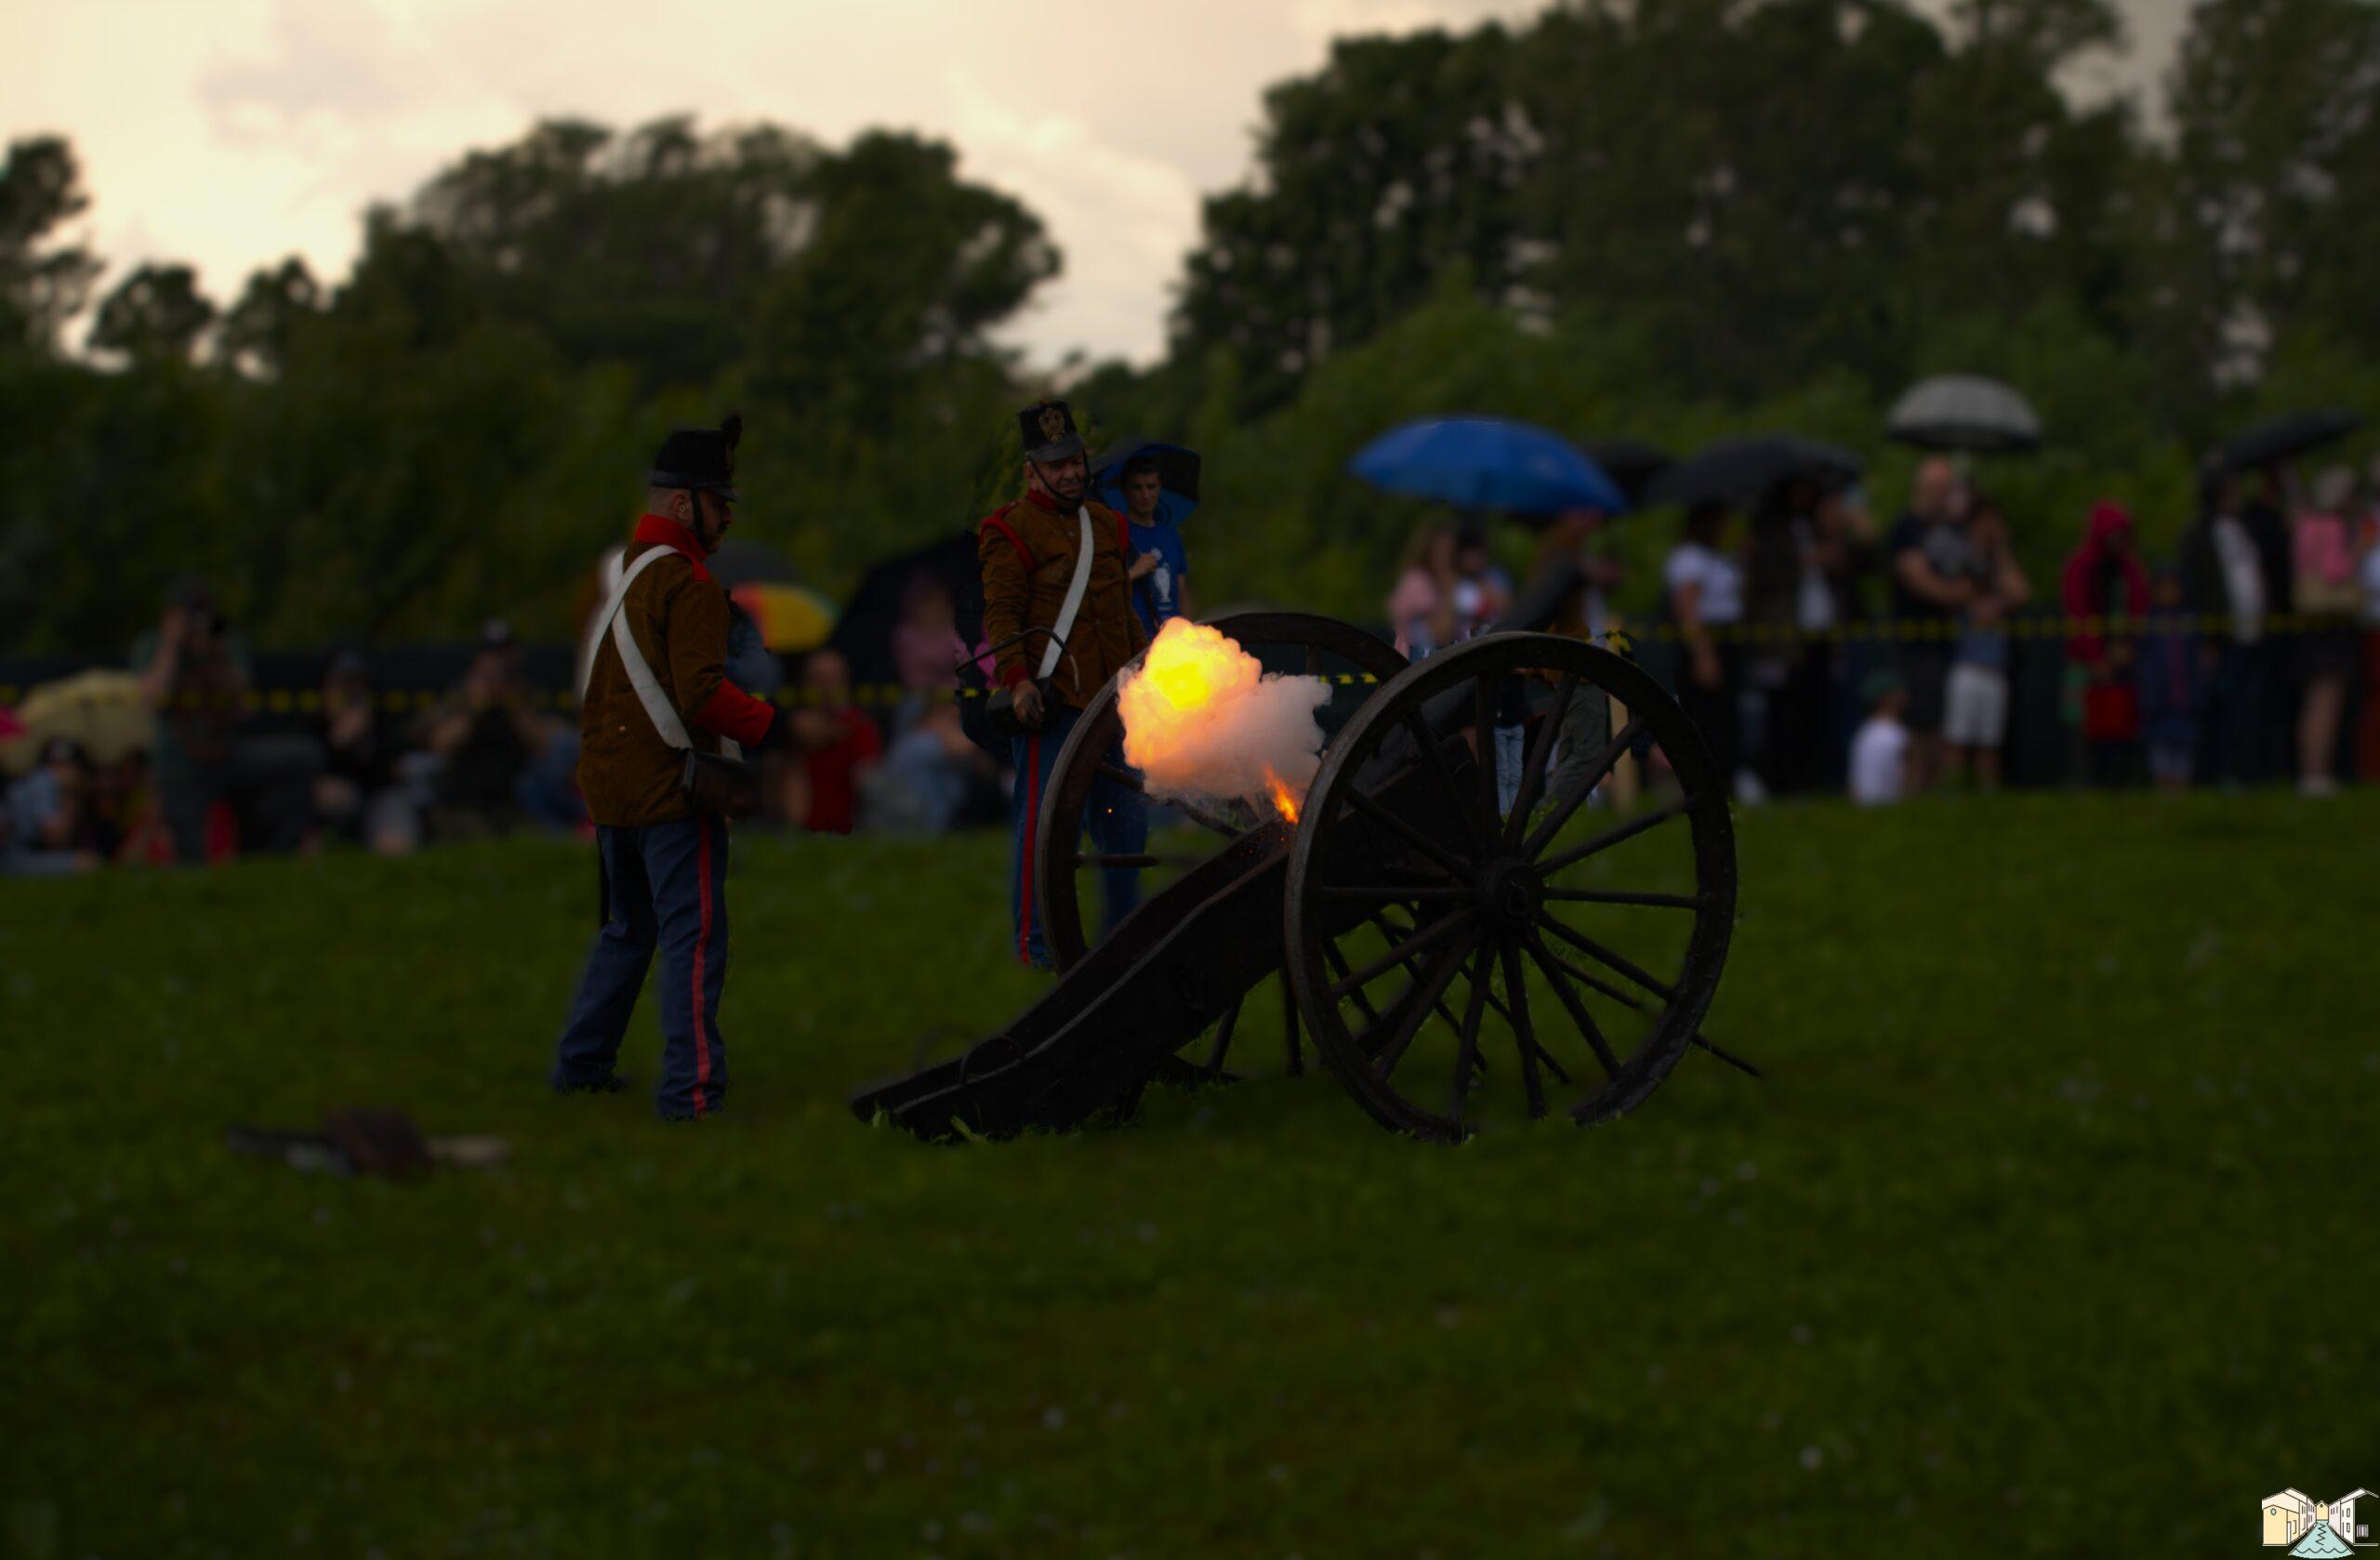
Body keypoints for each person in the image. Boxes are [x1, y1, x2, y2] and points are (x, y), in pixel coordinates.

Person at [552, 413, 791, 1120]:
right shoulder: (686, 585)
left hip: (611, 789)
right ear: (684, 503)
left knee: (628, 931)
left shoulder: (626, 572)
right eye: (719, 502)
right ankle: (689, 1094)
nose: (724, 518)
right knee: (692, 942)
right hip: (669, 791)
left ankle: (581, 1066)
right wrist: (775, 727)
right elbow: (702, 696)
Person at [979, 399, 1150, 969]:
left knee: (1127, 829)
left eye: (1075, 461)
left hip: (1113, 701)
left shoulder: (1108, 524)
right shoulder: (1008, 529)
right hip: (1054, 704)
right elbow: (1003, 616)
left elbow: (1120, 609)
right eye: (1057, 465)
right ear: (1032, 472)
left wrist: (1144, 666)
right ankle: (1037, 948)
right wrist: (1019, 681)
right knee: (1047, 832)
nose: (1071, 473)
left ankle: (1123, 942)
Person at [132, 575, 322, 862]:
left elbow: (241, 706)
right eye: (188, 614)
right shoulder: (153, 645)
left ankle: (280, 852)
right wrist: (172, 645)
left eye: (201, 613)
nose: (195, 622)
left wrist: (215, 653)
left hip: (228, 755)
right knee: (192, 858)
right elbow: (152, 699)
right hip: (179, 766)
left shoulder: (226, 643)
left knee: (302, 757)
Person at [2181, 466, 2293, 787]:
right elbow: (2195, 587)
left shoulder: (2244, 528)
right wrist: (2206, 636)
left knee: (2253, 706)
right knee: (2220, 708)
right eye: (2230, 491)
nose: (2236, 496)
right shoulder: (2198, 535)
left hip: (2255, 633)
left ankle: (2251, 771)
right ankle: (2217, 774)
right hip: (2221, 636)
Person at [1885, 458, 1976, 794]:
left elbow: (1975, 574)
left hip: (1949, 640)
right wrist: (1957, 595)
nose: (1943, 495)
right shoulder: (1906, 528)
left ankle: (1934, 791)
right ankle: (1914, 789)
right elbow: (1916, 577)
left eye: (1947, 488)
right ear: (1920, 488)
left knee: (1941, 719)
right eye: (1938, 487)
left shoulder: (1955, 530)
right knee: (1919, 718)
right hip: (1916, 640)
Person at [1940, 498, 2030, 791]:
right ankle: (1952, 794)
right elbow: (1955, 592)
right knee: (1957, 739)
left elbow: (2020, 593)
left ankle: (1987, 798)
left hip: (1995, 668)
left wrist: (2001, 549)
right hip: (1966, 665)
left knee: (1989, 743)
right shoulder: (1961, 558)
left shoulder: (1998, 563)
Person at [2062, 500, 2150, 787]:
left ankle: (2121, 783)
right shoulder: (2081, 565)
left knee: (2122, 727)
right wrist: (2095, 656)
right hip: (2084, 662)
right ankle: (2084, 783)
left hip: (2122, 660)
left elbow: (2140, 608)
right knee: (2082, 729)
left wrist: (2129, 646)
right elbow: (2077, 613)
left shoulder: (2129, 568)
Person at [1664, 502, 1747, 792]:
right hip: (1706, 644)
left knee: (1726, 716)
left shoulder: (1717, 556)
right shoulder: (1689, 557)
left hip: (1727, 641)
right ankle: (1706, 784)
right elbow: (1688, 610)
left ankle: (1727, 781)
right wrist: (1703, 655)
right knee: (1706, 717)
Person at [2291, 465, 2360, 795]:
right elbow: (2336, 571)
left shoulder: (2305, 525)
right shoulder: (2332, 527)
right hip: (2331, 622)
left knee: (2314, 698)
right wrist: (2359, 551)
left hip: (2310, 623)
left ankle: (2311, 771)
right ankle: (2317, 774)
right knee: (2326, 699)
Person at [313, 650, 421, 855]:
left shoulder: (379, 721)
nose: (351, 692)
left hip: (380, 797)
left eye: (357, 683)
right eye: (343, 684)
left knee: (395, 847)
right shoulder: (314, 724)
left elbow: (395, 771)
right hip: (340, 802)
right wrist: (336, 743)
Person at [791, 649, 880, 834]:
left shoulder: (860, 727)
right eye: (817, 679)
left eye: (832, 679)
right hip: (801, 832)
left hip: (849, 832)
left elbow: (868, 782)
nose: (825, 687)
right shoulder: (790, 728)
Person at [2137, 568, 2202, 792]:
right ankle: (2164, 785)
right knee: (2161, 745)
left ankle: (2181, 786)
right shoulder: (2150, 623)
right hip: (2159, 700)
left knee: (2184, 745)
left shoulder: (2189, 622)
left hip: (2184, 698)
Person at [4, 737, 102, 875]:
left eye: (66, 765)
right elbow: (56, 839)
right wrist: (69, 794)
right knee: (87, 863)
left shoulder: (38, 780)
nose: (62, 772)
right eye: (56, 765)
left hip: (17, 854)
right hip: (11, 859)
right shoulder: (43, 782)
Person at [1118, 454, 1194, 633]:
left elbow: (1181, 588)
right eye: (1137, 488)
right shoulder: (1117, 532)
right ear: (1125, 490)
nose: (1145, 495)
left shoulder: (1170, 534)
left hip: (1172, 636)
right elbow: (1105, 590)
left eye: (1151, 487)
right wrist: (1135, 571)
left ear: (1160, 487)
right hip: (1136, 637)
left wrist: (1190, 631)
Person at [1387, 523, 1457, 660]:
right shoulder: (1417, 582)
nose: (1447, 556)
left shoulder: (1434, 581)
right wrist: (1449, 589)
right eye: (1442, 551)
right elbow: (1442, 633)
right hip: (1418, 666)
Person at [1847, 670, 1909, 806]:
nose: (1904, 695)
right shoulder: (1888, 734)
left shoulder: (1866, 731)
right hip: (1884, 808)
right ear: (1886, 698)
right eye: (1898, 691)